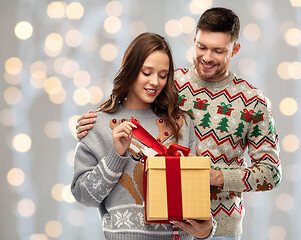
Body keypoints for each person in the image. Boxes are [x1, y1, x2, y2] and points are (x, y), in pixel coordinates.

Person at [76, 8, 282, 240]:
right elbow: (132, 104)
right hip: (167, 223)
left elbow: (271, 173)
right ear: (194, 39)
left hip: (221, 228)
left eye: (218, 50)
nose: (207, 57)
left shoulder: (253, 101)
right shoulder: (171, 83)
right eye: (201, 46)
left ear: (235, 49)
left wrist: (216, 176)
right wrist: (93, 122)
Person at [71, 32, 217, 240]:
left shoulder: (181, 124)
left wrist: (207, 231)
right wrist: (116, 156)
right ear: (130, 70)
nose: (155, 82)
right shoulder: (98, 125)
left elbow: (194, 199)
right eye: (146, 72)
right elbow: (84, 196)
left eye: (163, 75)